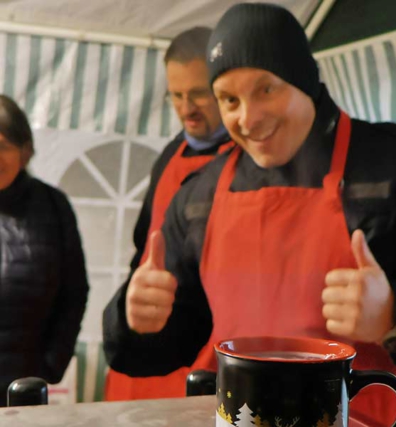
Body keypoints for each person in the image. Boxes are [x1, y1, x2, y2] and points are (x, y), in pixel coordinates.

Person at [103, 3, 396, 426]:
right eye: (229, 99)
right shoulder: (198, 196)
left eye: (266, 90)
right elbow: (166, 345)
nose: (247, 118)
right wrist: (136, 318)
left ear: (304, 80)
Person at [102, 27, 231, 401]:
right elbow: (142, 244)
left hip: (201, 345)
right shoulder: (169, 156)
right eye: (176, 95)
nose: (186, 108)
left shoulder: (245, 163)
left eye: (198, 94)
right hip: (148, 338)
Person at [0, 95, 89, 407]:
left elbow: (74, 291)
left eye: (2, 146)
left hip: (26, 383)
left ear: (25, 151)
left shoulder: (53, 206)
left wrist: (53, 365)